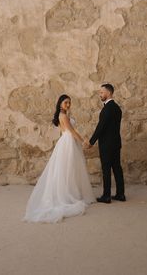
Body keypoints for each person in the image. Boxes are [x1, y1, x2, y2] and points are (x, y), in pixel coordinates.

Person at [23, 94, 95, 223]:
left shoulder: (63, 115)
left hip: (67, 141)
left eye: (69, 103)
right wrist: (84, 141)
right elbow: (72, 131)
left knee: (70, 168)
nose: (68, 104)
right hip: (68, 142)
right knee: (68, 168)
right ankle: (67, 194)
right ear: (60, 103)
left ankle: (71, 190)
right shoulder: (63, 116)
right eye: (66, 102)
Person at [85, 84, 125, 203]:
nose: (100, 95)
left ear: (108, 93)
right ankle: (120, 194)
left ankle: (106, 196)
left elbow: (100, 127)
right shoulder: (117, 108)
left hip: (107, 145)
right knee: (117, 168)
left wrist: (91, 142)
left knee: (106, 169)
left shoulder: (107, 109)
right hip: (116, 143)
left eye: (101, 92)